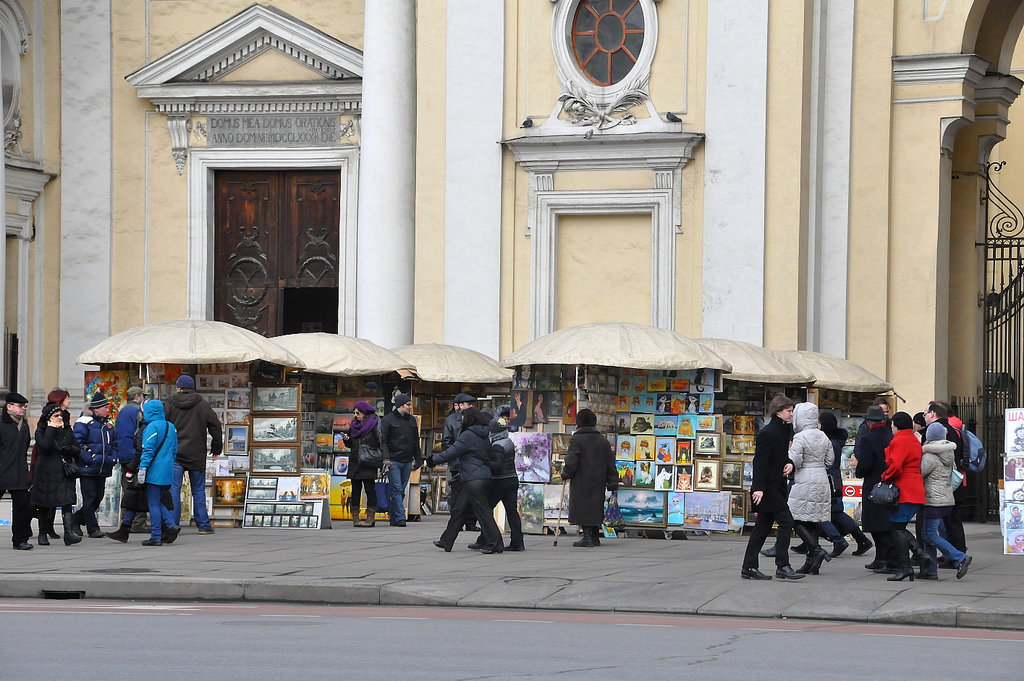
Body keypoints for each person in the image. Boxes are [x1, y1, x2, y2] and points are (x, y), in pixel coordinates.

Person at [740, 394, 804, 580]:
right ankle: (782, 565)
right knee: (786, 522)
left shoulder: (784, 430)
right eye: (789, 411)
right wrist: (758, 488)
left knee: (761, 529)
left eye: (792, 411)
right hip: (768, 488)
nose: (792, 414)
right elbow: (760, 462)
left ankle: (749, 567)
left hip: (776, 485)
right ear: (778, 412)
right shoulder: (767, 433)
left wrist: (789, 462)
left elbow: (781, 455)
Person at [426, 407, 503, 554]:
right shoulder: (483, 434)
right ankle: (446, 541)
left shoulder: (468, 435)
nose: (461, 420)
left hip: (473, 479)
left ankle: (495, 544)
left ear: (468, 419)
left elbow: (451, 452)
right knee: (459, 510)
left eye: (462, 417)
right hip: (480, 477)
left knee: (483, 512)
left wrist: (431, 461)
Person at [164, 375, 221, 535]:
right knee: (198, 490)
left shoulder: (169, 403)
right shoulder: (202, 404)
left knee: (174, 489)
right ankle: (203, 525)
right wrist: (216, 448)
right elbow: (215, 425)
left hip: (175, 452)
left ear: (178, 387)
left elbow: (162, 424)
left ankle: (172, 525)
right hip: (196, 452)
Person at [878, 411, 927, 581]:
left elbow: (896, 465)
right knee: (898, 527)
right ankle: (920, 557)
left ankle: (908, 565)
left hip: (904, 489)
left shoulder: (899, 439)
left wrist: (885, 477)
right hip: (915, 487)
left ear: (896, 425)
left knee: (896, 528)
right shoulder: (913, 439)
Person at [787, 403, 835, 575]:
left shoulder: (800, 437)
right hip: (821, 478)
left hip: (805, 478)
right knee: (813, 520)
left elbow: (795, 461)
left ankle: (815, 550)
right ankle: (812, 563)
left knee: (794, 518)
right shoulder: (823, 436)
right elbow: (830, 461)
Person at [920, 421, 972, 579]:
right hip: (946, 498)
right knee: (927, 533)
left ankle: (959, 557)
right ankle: (930, 570)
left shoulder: (929, 455)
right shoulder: (948, 453)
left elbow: (919, 473)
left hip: (933, 499)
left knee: (929, 534)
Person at [469, 407, 524, 551]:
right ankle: (517, 542)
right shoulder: (508, 441)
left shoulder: (498, 445)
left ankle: (486, 539)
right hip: (512, 479)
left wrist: (485, 461)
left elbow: (497, 465)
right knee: (512, 512)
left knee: (485, 512)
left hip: (500, 482)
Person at [818, 412, 873, 557]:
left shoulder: (830, 442)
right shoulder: (835, 440)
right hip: (833, 477)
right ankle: (861, 540)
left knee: (834, 512)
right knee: (835, 511)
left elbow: (828, 461)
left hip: (830, 478)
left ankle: (848, 540)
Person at [562, 408, 618, 548]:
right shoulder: (602, 440)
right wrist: (612, 481)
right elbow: (610, 462)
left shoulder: (577, 439)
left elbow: (572, 460)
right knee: (595, 506)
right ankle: (594, 536)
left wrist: (566, 473)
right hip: (599, 480)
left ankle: (586, 536)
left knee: (583, 506)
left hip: (582, 479)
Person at [31, 399, 81, 547]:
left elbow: (77, 449)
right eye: (56, 416)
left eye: (61, 415)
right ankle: (42, 533)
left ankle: (68, 533)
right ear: (48, 418)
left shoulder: (67, 430)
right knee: (44, 503)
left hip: (63, 471)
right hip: (46, 472)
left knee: (66, 502)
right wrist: (51, 428)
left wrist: (69, 449)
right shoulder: (41, 430)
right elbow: (44, 445)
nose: (60, 418)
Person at [924, 401, 967, 563]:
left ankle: (956, 555)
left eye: (926, 413)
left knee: (935, 528)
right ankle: (952, 555)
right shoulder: (951, 431)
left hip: (939, 489)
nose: (925, 417)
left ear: (933, 414)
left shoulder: (937, 433)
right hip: (949, 487)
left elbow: (925, 468)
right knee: (947, 523)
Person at [72, 392, 118, 538]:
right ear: (96, 409)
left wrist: (113, 458)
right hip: (89, 467)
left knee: (98, 497)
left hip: (103, 467)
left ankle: (77, 519)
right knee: (90, 497)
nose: (107, 410)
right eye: (105, 407)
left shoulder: (107, 425)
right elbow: (77, 444)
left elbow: (115, 444)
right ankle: (93, 528)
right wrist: (89, 458)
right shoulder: (83, 423)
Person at [107, 387, 149, 542]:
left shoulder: (123, 411)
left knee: (129, 489)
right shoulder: (136, 412)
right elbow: (135, 436)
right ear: (137, 397)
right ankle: (136, 522)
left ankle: (127, 521)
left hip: (126, 456)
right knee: (136, 489)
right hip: (134, 457)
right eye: (142, 396)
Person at [137, 399, 181, 546]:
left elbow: (148, 450)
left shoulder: (151, 427)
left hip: (154, 471)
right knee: (159, 501)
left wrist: (143, 468)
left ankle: (156, 535)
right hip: (168, 470)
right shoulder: (171, 427)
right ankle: (170, 524)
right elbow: (175, 450)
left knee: (153, 504)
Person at [855, 404, 893, 572]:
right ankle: (882, 557)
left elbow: (864, 465)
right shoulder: (891, 436)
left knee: (875, 524)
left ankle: (882, 558)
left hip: (873, 485)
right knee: (885, 523)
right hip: (890, 483)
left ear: (869, 422)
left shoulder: (868, 439)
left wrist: (859, 471)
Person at [379, 393, 422, 527]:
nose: (410, 407)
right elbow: (383, 441)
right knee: (397, 488)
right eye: (408, 404)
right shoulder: (388, 420)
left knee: (401, 489)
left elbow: (416, 440)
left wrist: (418, 458)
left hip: (407, 459)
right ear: (400, 405)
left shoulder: (411, 420)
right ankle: (400, 516)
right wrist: (386, 459)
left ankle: (393, 515)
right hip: (393, 460)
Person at [340, 401, 382, 527]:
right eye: (354, 413)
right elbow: (351, 444)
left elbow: (380, 442)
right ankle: (355, 517)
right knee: (355, 490)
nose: (356, 415)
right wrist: (346, 440)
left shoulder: (374, 424)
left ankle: (370, 516)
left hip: (368, 461)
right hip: (355, 461)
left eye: (358, 413)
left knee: (370, 490)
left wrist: (383, 458)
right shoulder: (353, 425)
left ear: (364, 413)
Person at [1, 391, 35, 550]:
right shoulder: (1, 424)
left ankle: (20, 540)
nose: (23, 409)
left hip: (19, 473)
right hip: (2, 472)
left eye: (25, 406)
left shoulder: (24, 424)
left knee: (22, 508)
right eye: (20, 406)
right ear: (9, 407)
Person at [442, 393, 478, 532]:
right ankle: (456, 520)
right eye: (468, 404)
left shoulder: (475, 419)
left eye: (472, 404)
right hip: (455, 462)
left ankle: (470, 522)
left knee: (472, 492)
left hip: (472, 462)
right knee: (453, 492)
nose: (471, 407)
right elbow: (447, 441)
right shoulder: (451, 420)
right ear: (460, 405)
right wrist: (455, 454)